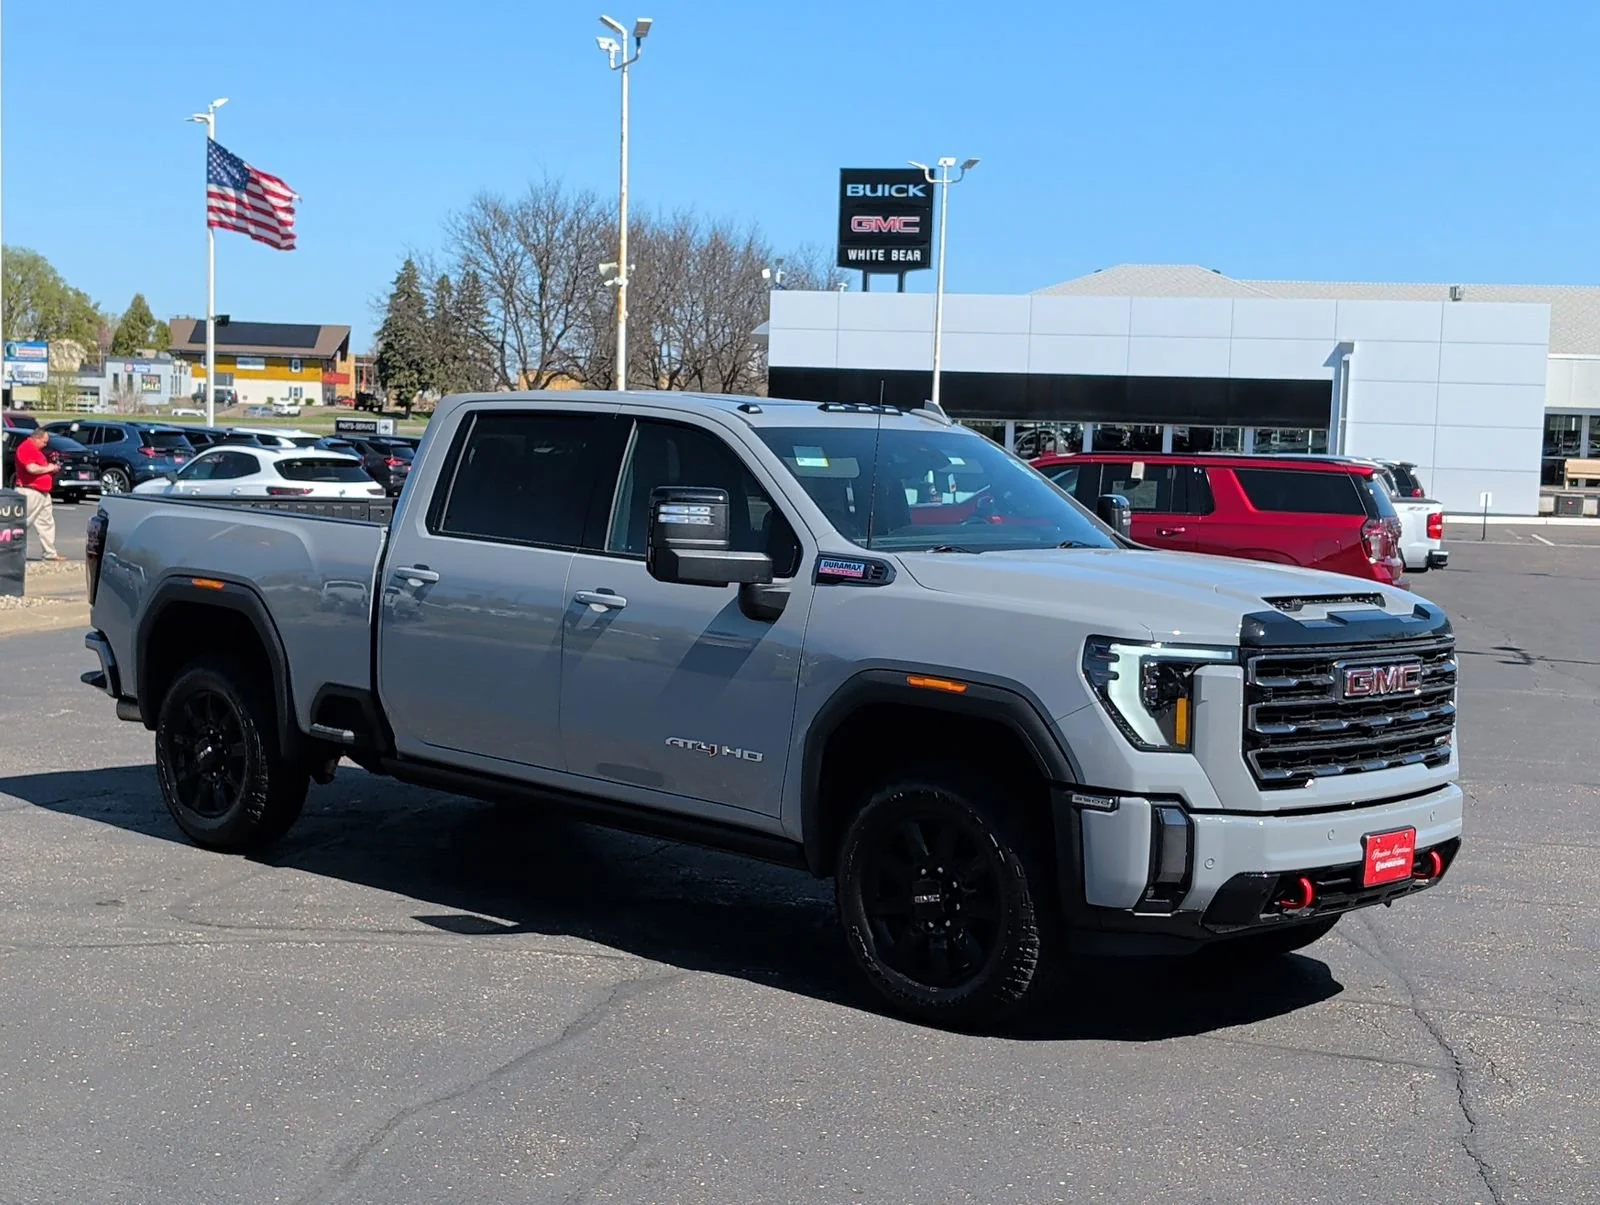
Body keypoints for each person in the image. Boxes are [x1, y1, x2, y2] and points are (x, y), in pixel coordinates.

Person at [13, 426, 62, 561]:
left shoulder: (37, 451)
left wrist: (52, 469)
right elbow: (31, 468)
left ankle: (49, 553)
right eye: (44, 442)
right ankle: (12, 551)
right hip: (30, 490)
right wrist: (49, 468)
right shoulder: (26, 448)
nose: (45, 444)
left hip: (43, 492)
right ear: (36, 438)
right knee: (22, 522)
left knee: (46, 522)